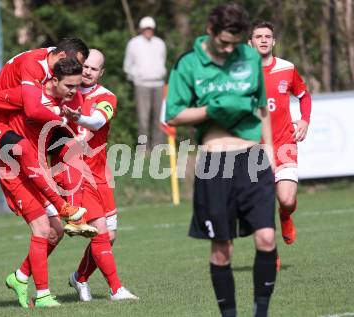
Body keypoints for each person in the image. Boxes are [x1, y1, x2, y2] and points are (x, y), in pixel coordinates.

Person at [166, 4, 277, 317]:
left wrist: (269, 149)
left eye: (235, 43)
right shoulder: (188, 64)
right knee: (221, 249)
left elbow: (262, 108)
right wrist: (212, 109)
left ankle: (261, 313)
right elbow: (174, 114)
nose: (230, 49)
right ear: (210, 31)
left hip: (252, 157)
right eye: (224, 43)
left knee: (267, 238)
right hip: (215, 162)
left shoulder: (250, 57)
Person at [0, 58, 86, 308]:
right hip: (16, 174)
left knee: (55, 233)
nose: (73, 91)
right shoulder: (28, 96)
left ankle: (19, 277)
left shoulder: (64, 106)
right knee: (41, 229)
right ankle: (42, 296)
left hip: (38, 174)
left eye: (77, 86)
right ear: (54, 80)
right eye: (69, 86)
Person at [0, 38, 97, 237]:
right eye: (78, 64)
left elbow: (68, 107)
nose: (79, 71)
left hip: (23, 127)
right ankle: (63, 206)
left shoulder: (58, 66)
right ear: (63, 58)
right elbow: (31, 110)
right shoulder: (35, 67)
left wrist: (77, 125)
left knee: (51, 231)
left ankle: (74, 216)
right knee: (25, 150)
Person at [60, 49, 139, 301]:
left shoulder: (106, 96)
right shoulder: (64, 90)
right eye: (85, 66)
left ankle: (80, 278)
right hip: (75, 173)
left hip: (99, 173)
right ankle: (116, 289)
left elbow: (96, 122)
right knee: (101, 231)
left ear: (101, 72)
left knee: (110, 236)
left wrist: (77, 117)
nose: (87, 71)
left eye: (94, 69)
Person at [249, 21, 312, 245]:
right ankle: (270, 253)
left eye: (268, 36)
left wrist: (304, 120)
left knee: (285, 200)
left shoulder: (287, 68)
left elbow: (304, 95)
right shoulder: (242, 75)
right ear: (250, 43)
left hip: (284, 143)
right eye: (258, 36)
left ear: (274, 41)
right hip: (255, 149)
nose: (264, 39)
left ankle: (285, 215)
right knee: (261, 206)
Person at [123, 16, 167, 150]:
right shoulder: (133, 43)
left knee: (159, 117)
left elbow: (163, 60)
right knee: (143, 118)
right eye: (146, 28)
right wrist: (136, 76)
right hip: (141, 84)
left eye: (151, 28)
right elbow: (127, 65)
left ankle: (158, 147)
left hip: (159, 84)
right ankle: (144, 148)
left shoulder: (160, 43)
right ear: (141, 29)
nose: (148, 31)